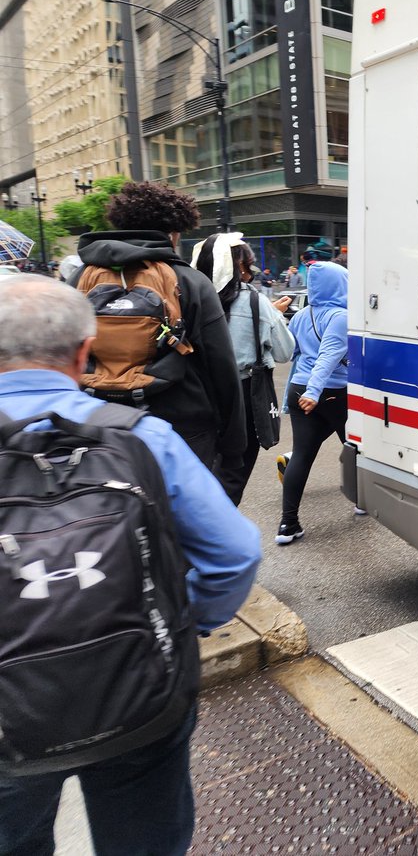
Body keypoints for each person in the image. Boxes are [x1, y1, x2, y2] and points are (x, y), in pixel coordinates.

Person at [0, 274, 260, 856]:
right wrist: (181, 622)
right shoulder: (145, 439)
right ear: (84, 352)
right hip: (141, 694)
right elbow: (234, 555)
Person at [75, 181, 244, 470]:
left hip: (101, 421)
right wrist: (233, 446)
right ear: (174, 232)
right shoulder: (191, 282)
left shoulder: (81, 277)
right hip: (182, 428)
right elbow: (221, 367)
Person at [191, 232, 294, 505]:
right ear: (238, 265)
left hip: (198, 391)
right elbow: (285, 351)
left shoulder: (189, 297)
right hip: (243, 394)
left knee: (203, 465)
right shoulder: (254, 301)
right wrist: (273, 317)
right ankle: (217, 530)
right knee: (234, 470)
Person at [277, 260, 350, 544]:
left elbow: (290, 355)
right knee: (356, 448)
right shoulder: (341, 316)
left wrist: (301, 392)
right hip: (331, 392)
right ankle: (363, 501)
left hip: (300, 389)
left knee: (303, 455)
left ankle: (288, 525)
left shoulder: (301, 316)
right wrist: (314, 391)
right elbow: (328, 357)